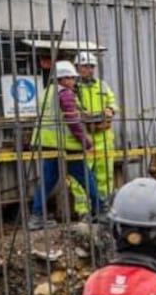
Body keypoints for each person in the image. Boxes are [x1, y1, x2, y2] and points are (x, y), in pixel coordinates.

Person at [28, 60, 101, 229]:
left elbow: (59, 113)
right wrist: (86, 141)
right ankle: (101, 210)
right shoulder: (66, 93)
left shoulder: (46, 92)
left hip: (47, 143)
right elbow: (71, 120)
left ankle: (36, 216)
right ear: (62, 79)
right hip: (66, 144)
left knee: (47, 181)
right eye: (71, 78)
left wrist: (80, 111)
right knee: (85, 176)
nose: (74, 81)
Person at [66, 51, 118, 218]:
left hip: (104, 137)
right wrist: (83, 114)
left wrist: (110, 109)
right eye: (85, 66)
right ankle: (83, 210)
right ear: (77, 68)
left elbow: (113, 101)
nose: (89, 70)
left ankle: (103, 208)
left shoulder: (102, 85)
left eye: (91, 66)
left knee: (105, 176)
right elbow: (71, 108)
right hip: (83, 137)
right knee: (81, 176)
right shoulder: (73, 88)